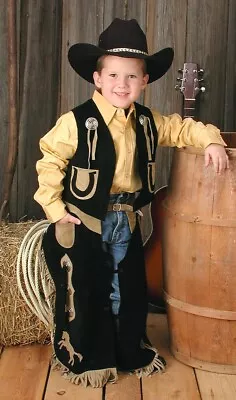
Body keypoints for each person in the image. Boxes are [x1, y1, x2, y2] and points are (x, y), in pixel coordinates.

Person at [34, 18, 229, 387]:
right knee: (87, 287)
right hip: (85, 220)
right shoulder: (76, 122)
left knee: (127, 288)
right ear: (97, 78)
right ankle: (89, 356)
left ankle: (126, 351)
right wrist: (56, 209)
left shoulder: (146, 121)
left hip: (126, 218)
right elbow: (49, 161)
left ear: (145, 81)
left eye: (131, 77)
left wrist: (212, 140)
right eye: (113, 76)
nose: (121, 85)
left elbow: (181, 128)